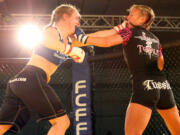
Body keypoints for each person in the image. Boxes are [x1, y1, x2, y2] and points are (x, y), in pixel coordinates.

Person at [74, 4, 180, 135]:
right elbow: (160, 65)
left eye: (132, 14)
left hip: (144, 84)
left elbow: (107, 42)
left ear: (143, 19)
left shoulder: (129, 32)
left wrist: (82, 38)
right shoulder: (155, 39)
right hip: (163, 85)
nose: (127, 17)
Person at [0, 4, 85, 135]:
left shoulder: (69, 41)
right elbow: (45, 40)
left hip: (19, 82)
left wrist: (121, 29)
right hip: (32, 77)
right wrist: (71, 50)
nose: (78, 22)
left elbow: (100, 39)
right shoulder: (52, 30)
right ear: (65, 17)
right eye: (75, 18)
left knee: (2, 127)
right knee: (62, 123)